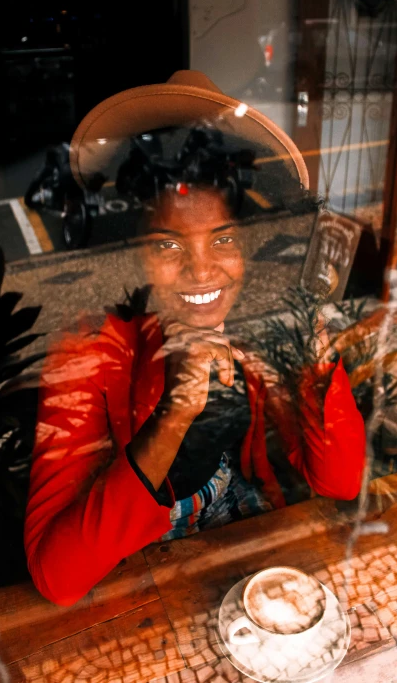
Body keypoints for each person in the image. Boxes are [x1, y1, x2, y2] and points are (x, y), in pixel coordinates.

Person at [24, 71, 366, 606]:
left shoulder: (252, 323)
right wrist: (176, 411)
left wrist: (315, 352)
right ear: (131, 251)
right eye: (167, 247)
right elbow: (58, 578)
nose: (203, 272)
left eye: (224, 239)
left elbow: (341, 481)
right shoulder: (87, 351)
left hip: (238, 552)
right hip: (135, 575)